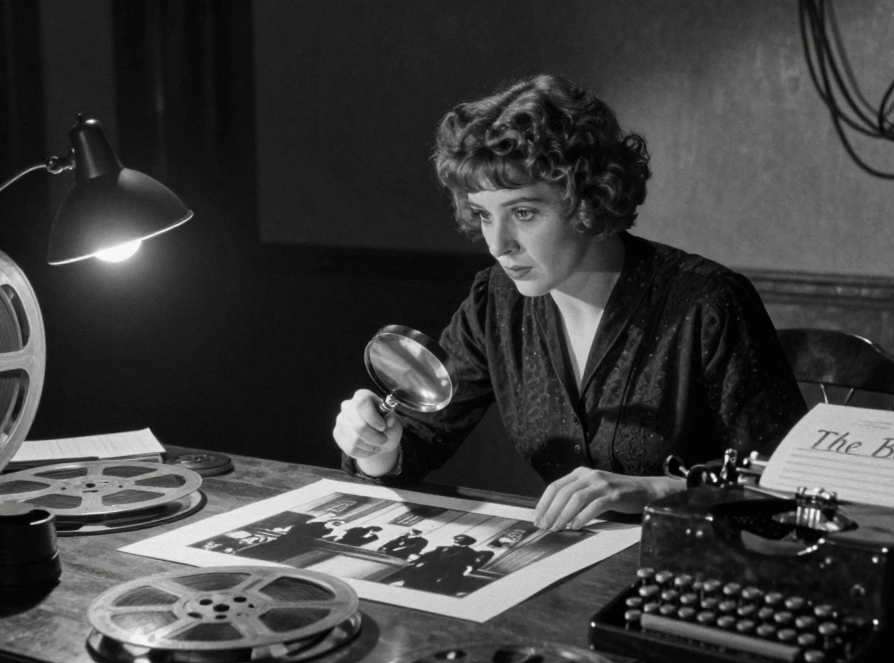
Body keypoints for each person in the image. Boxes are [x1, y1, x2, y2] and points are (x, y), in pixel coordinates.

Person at [333, 74, 805, 533]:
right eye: (482, 214)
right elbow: (418, 441)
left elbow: (784, 491)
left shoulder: (709, 305)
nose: (498, 244)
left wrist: (659, 490)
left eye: (523, 212)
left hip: (702, 575)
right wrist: (376, 445)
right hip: (578, 573)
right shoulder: (495, 302)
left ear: (588, 197)